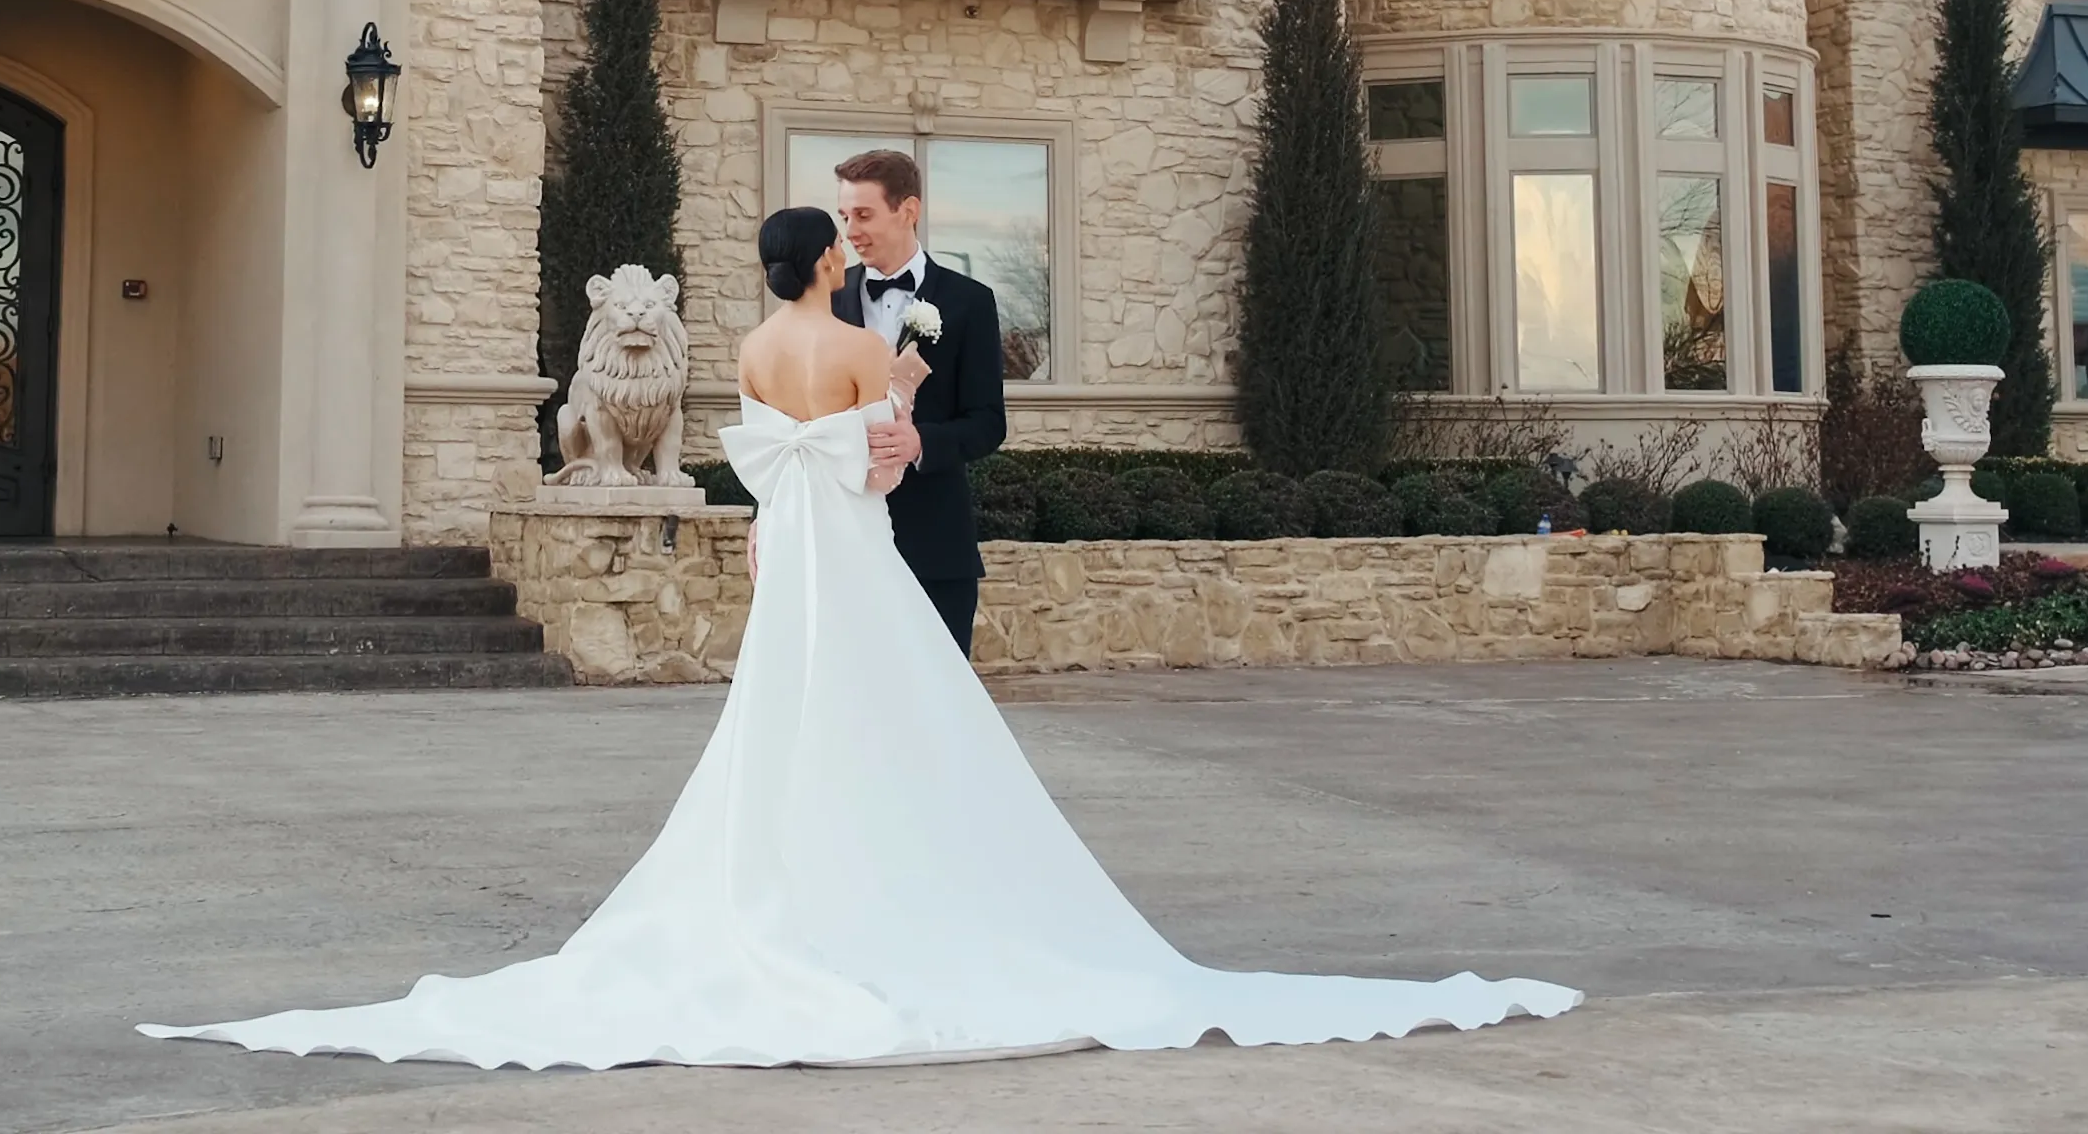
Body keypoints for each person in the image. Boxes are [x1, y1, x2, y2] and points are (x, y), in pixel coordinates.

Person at [135, 208, 1577, 1069]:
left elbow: (775, 461)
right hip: (859, 560)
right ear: (824, 262)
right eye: (836, 242)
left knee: (788, 735)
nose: (844, 247)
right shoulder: (851, 343)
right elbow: (894, 456)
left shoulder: (758, 353)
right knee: (912, 731)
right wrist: (916, 376)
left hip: (794, 571)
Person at [830, 148, 1002, 654]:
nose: (851, 231)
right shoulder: (829, 300)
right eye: (844, 216)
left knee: (942, 711)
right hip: (844, 541)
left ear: (908, 211)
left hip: (935, 547)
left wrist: (920, 442)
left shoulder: (970, 302)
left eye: (863, 215)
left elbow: (988, 422)